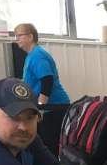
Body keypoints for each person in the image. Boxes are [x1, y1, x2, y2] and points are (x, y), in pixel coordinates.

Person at [14, 23, 70, 154]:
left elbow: (47, 80)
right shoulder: (31, 55)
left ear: (30, 36)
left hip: (54, 108)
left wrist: (40, 107)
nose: (17, 39)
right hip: (48, 108)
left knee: (50, 146)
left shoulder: (38, 55)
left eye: (19, 36)